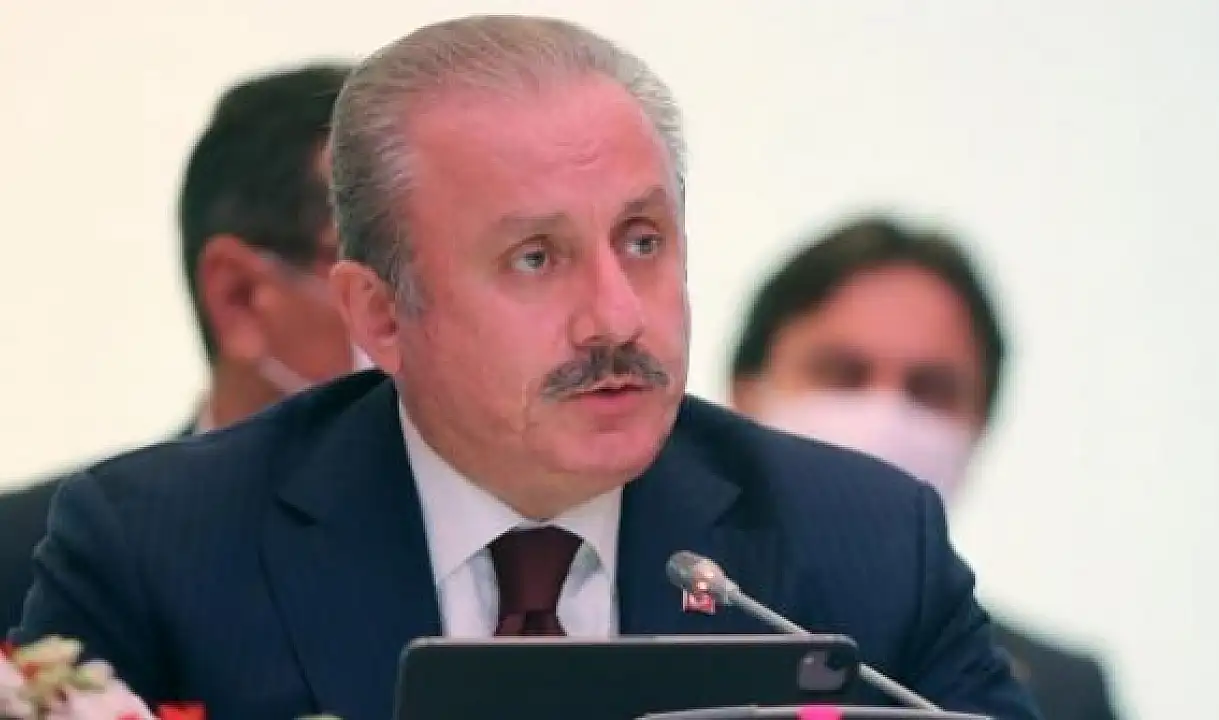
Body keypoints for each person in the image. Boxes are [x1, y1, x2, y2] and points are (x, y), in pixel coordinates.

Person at [13, 16, 1040, 720]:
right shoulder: (160, 550)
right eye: (536, 258)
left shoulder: (862, 546)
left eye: (642, 241)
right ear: (381, 314)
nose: (615, 317)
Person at [0, 63, 364, 633]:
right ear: (239, 296)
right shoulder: (30, 560)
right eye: (379, 270)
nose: (430, 309)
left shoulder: (505, 562)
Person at [730, 215, 1121, 720]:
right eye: (843, 374)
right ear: (744, 394)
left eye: (931, 389)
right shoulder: (649, 633)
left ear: (980, 427)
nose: (885, 418)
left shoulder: (1060, 695)